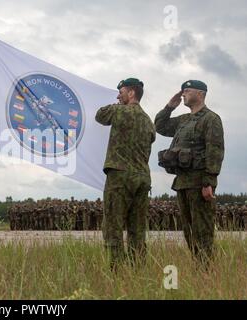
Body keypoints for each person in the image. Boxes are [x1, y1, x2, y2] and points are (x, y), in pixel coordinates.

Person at [155, 80, 224, 266]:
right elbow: (160, 126)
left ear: (200, 94)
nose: (183, 94)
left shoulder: (211, 119)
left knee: (203, 230)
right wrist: (169, 107)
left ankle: (205, 270)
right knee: (188, 231)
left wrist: (209, 181)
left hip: (199, 182)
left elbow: (215, 151)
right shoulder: (184, 120)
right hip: (182, 182)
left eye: (187, 90)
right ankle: (199, 267)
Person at [95, 78, 155, 270]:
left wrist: (118, 104)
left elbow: (100, 115)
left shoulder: (119, 111)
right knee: (137, 230)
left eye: (121, 91)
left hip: (120, 177)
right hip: (143, 178)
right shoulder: (148, 121)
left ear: (131, 93)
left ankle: (117, 272)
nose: (118, 95)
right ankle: (138, 270)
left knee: (113, 227)